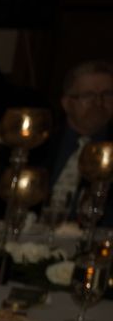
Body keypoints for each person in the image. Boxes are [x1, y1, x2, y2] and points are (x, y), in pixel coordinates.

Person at [47, 59, 112, 219]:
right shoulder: (40, 144)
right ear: (67, 103)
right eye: (88, 95)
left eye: (107, 94)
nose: (98, 103)